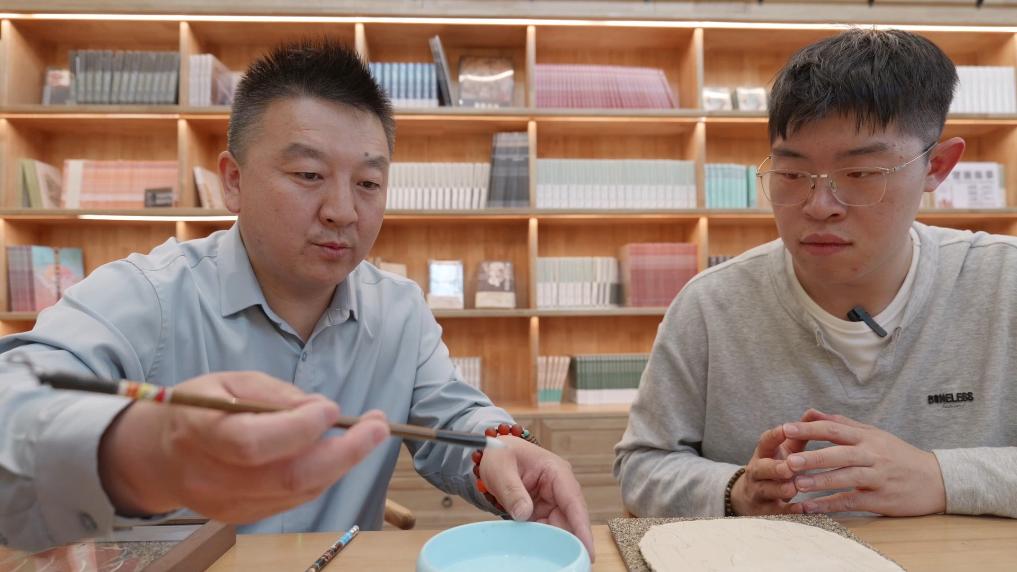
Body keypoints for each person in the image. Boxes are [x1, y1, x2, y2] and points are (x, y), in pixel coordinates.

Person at [0, 39, 593, 555]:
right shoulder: (148, 294)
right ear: (233, 180)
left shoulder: (399, 310)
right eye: (309, 175)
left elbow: (456, 418)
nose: (342, 211)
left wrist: (497, 447)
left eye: (368, 182)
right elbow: (16, 396)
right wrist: (135, 451)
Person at [615, 28, 1017, 519]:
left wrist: (938, 477)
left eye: (862, 174)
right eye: (792, 174)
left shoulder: (1004, 282)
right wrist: (736, 491)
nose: (819, 205)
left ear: (937, 165)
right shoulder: (711, 304)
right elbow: (643, 464)